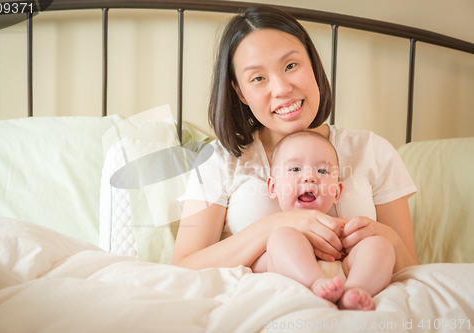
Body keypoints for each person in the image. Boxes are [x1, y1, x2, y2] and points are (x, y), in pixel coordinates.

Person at [171, 5, 419, 311]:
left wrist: (386, 237)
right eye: (258, 78)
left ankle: (351, 293)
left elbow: (413, 267)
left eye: (290, 66)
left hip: (365, 304)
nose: (282, 89)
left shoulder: (372, 150)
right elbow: (182, 267)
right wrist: (275, 226)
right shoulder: (220, 159)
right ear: (240, 92)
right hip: (268, 307)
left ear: (313, 65)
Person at [252, 129, 395, 310]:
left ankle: (355, 291)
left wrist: (356, 240)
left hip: (347, 277)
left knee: (380, 245)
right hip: (300, 282)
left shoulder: (340, 228)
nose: (310, 177)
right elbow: (255, 266)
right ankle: (316, 283)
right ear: (273, 187)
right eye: (295, 169)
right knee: (282, 237)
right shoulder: (275, 233)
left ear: (337, 191)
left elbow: (368, 254)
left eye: (322, 170)